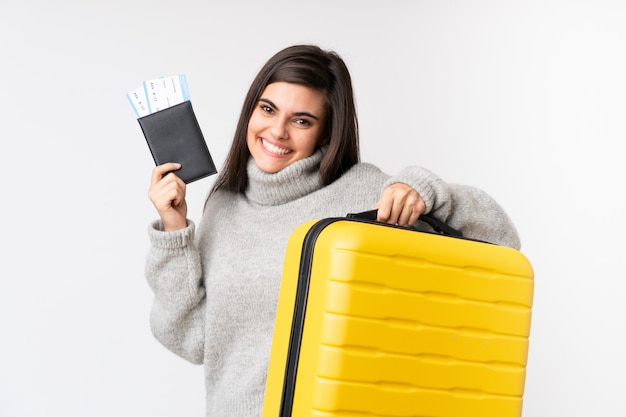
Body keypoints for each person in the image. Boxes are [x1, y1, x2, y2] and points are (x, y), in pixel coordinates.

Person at [145, 44, 521, 416]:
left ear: (326, 133)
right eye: (268, 109)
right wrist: (174, 231)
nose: (277, 131)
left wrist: (427, 191)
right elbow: (193, 340)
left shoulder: (366, 194)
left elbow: (502, 238)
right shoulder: (224, 204)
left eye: (302, 120)